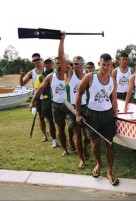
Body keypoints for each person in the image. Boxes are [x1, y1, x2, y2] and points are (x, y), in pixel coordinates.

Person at [76, 53, 119, 186]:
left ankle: (109, 171)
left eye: (108, 65)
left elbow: (114, 100)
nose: (106, 67)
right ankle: (99, 164)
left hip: (107, 115)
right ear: (99, 64)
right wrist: (78, 114)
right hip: (92, 115)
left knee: (109, 144)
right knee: (95, 144)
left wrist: (115, 116)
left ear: (111, 65)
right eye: (103, 64)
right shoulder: (90, 77)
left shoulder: (113, 81)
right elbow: (79, 93)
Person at [59, 32, 90, 168]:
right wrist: (62, 40)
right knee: (77, 134)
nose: (78, 65)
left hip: (87, 107)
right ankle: (81, 159)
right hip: (73, 108)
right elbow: (61, 58)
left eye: (80, 63)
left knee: (87, 135)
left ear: (83, 64)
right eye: (75, 63)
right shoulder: (69, 74)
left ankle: (85, 149)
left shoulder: (88, 76)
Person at [29, 57, 68, 157]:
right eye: (56, 63)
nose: (58, 65)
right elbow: (39, 89)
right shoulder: (43, 77)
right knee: (54, 123)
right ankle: (56, 141)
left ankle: (71, 143)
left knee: (71, 127)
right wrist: (33, 101)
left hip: (68, 104)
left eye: (60, 63)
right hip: (50, 102)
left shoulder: (69, 74)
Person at [20, 53, 47, 142]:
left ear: (41, 59)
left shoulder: (47, 70)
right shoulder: (31, 72)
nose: (36, 61)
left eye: (37, 59)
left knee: (50, 117)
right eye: (34, 60)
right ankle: (44, 135)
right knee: (41, 117)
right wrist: (21, 77)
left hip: (48, 96)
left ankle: (51, 133)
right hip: (38, 97)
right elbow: (22, 83)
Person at [33, 58, 58, 148]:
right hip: (46, 101)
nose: (48, 64)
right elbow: (37, 90)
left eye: (50, 63)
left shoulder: (58, 74)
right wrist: (34, 102)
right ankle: (54, 140)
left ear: (52, 63)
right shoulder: (40, 77)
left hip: (58, 101)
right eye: (46, 63)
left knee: (61, 122)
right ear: (44, 64)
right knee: (50, 122)